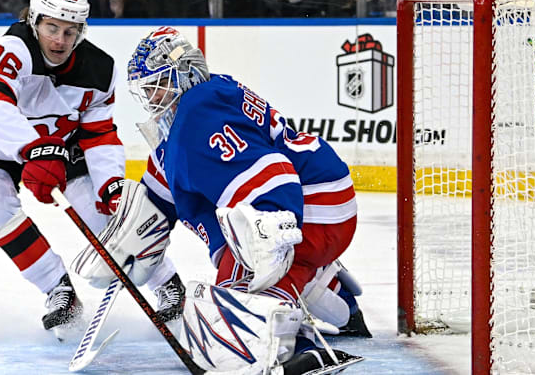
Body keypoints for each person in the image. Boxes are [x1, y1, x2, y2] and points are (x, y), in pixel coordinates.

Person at [102, 26, 369, 373]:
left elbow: (273, 174)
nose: (152, 98)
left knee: (235, 297)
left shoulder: (198, 114)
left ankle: (299, 348)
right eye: (147, 89)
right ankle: (339, 300)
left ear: (182, 74)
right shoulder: (202, 102)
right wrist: (131, 238)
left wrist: (271, 234)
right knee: (248, 250)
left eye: (157, 85)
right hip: (321, 200)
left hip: (309, 208)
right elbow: (163, 189)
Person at [0, 0, 185, 337]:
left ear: (81, 31)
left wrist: (110, 186)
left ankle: (167, 283)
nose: (59, 40)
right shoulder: (9, 51)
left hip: (58, 141)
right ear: (35, 22)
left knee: (96, 207)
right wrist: (32, 151)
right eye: (52, 27)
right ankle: (58, 291)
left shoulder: (99, 70)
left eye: (70, 31)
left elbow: (100, 133)